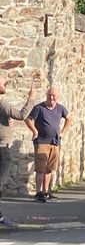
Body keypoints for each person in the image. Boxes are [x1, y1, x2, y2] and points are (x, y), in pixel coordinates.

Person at [25, 87, 72, 203]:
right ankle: (38, 193)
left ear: (57, 97)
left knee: (49, 169)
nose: (51, 98)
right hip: (41, 142)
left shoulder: (60, 108)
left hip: (55, 143)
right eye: (49, 95)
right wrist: (34, 131)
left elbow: (69, 118)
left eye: (53, 96)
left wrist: (63, 132)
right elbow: (28, 119)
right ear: (46, 96)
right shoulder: (39, 108)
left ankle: (46, 191)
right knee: (40, 169)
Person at [0, 77, 36, 226]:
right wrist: (31, 99)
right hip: (2, 148)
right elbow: (22, 115)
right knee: (0, 183)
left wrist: (5, 120)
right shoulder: (1, 102)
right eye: (3, 82)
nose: (6, 84)